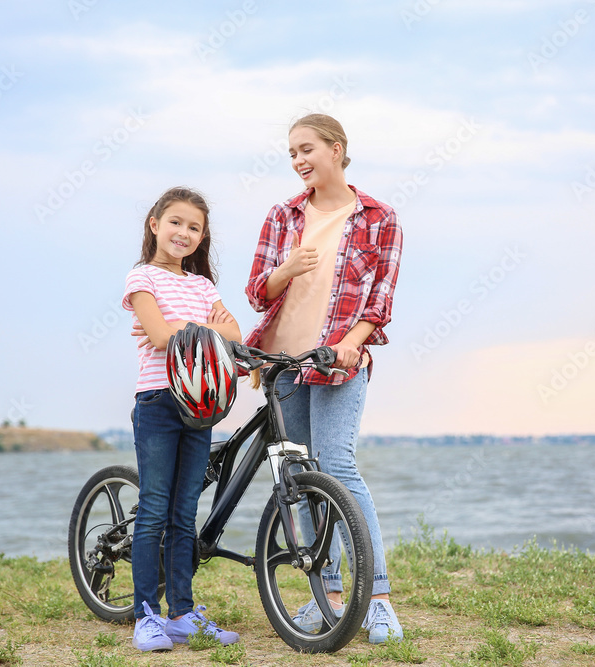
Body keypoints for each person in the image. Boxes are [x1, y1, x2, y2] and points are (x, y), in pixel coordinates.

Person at [244, 113, 404, 644]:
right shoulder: (283, 215)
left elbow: (379, 303)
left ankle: (377, 598)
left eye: (306, 149)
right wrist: (286, 269)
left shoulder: (380, 217)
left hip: (338, 362)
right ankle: (328, 597)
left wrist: (350, 345)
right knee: (302, 480)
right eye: (291, 153)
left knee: (338, 467)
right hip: (283, 366)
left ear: (336, 148)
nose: (298, 161)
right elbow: (258, 292)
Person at [121, 187, 242, 652]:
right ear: (154, 223)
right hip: (158, 401)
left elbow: (234, 334)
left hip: (201, 405)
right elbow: (155, 335)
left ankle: (183, 613)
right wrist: (203, 330)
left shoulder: (202, 285)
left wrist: (188, 331)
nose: (183, 233)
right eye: (175, 222)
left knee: (184, 513)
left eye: (194, 227)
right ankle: (146, 615)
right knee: (153, 509)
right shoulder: (141, 278)